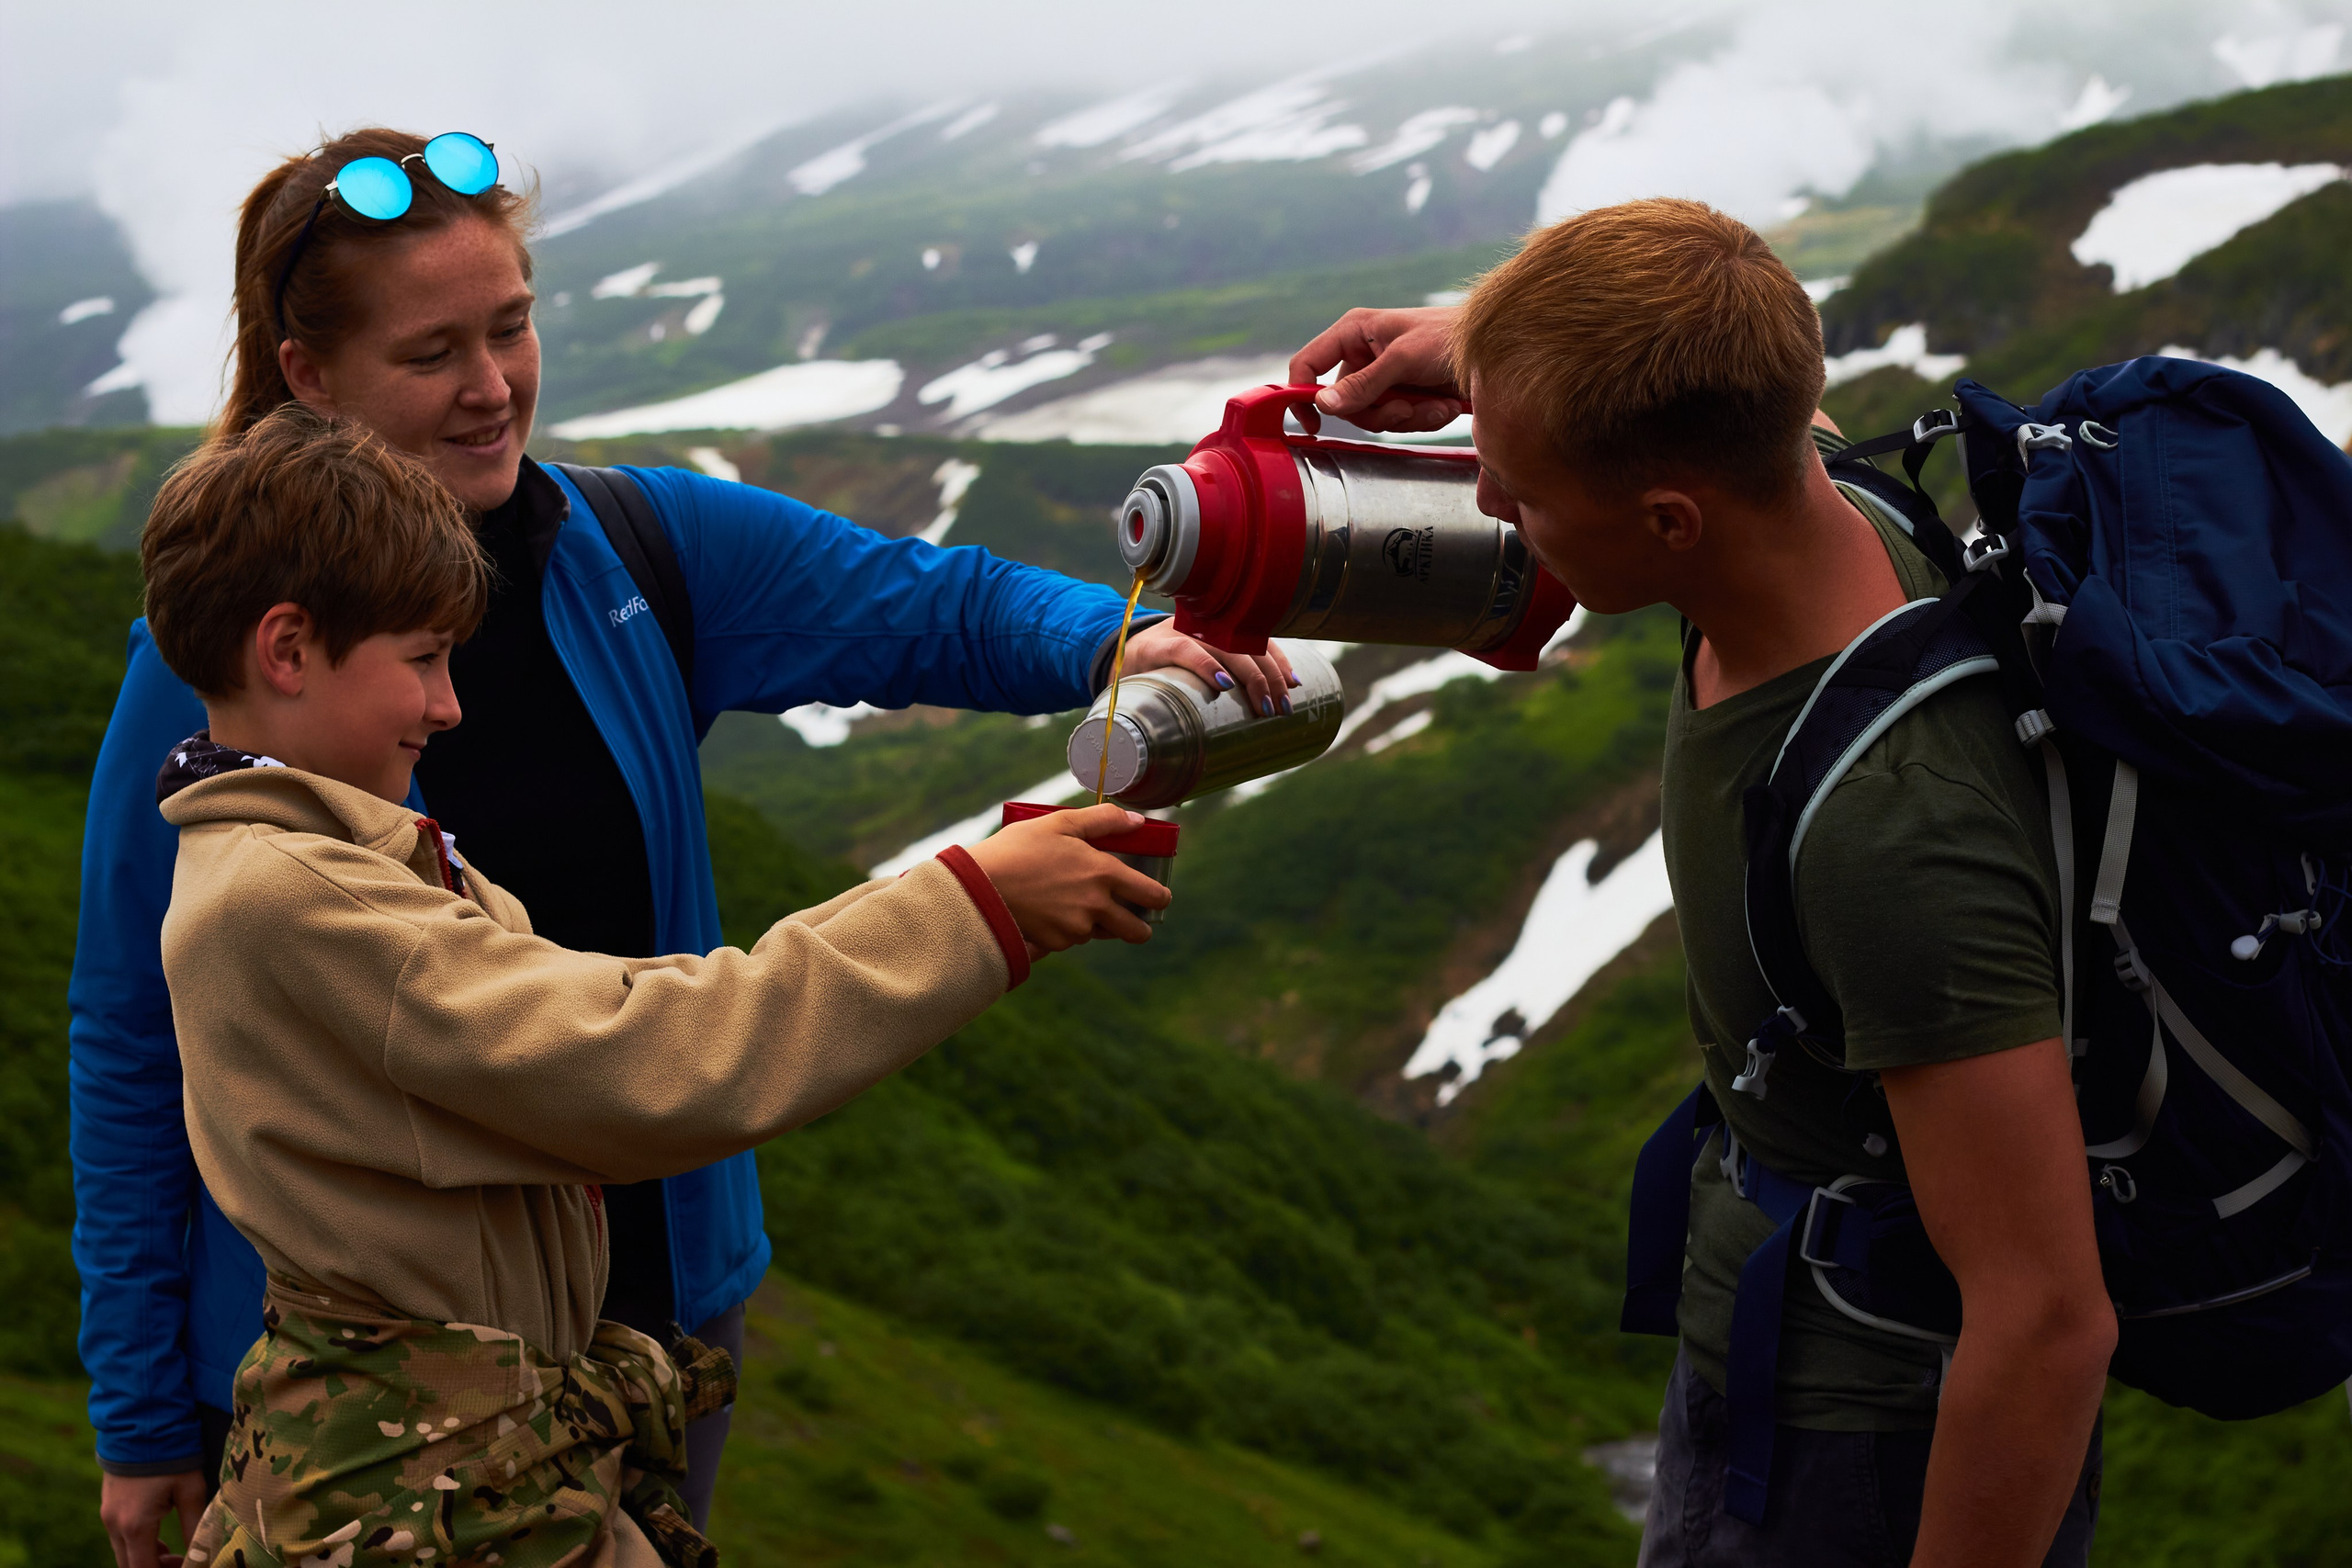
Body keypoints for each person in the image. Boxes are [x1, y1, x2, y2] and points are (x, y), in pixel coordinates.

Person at [75, 126, 1292, 1567]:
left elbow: (927, 603)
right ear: (309, 374)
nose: (490, 384)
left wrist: (1119, 640)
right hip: (388, 1387)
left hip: (655, 1306)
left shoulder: (635, 547)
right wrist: (141, 1408)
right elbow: (132, 1031)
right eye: (432, 352)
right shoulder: (219, 669)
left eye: (511, 326)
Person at [140, 403, 1166, 1564]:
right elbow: (633, 1064)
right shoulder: (305, 899)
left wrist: (962, 884)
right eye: (422, 660)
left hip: (437, 1458)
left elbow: (611, 1004)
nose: (449, 704)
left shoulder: (299, 858)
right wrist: (971, 911)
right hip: (442, 1499)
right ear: (285, 650)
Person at [1291, 199, 2112, 1568]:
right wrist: (1494, 354)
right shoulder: (1804, 492)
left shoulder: (1898, 836)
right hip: (1757, 1333)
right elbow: (1716, 361)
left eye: (1521, 491)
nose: (1488, 505)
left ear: (1669, 519)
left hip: (1856, 1454)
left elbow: (2045, 1320)